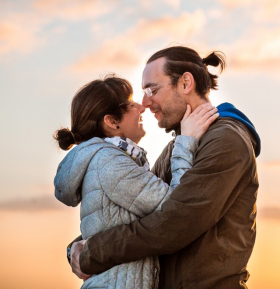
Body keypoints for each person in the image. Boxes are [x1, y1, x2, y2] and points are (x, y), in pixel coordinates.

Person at [70, 47, 261, 289]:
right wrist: (77, 247)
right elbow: (134, 212)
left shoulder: (226, 141)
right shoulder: (176, 148)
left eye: (153, 89)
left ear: (185, 83)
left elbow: (174, 222)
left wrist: (91, 253)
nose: (145, 103)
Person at [53, 75, 219, 288]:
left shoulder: (105, 160)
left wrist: (77, 249)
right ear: (112, 122)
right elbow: (176, 208)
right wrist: (187, 142)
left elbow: (115, 222)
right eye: (131, 104)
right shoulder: (110, 162)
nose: (141, 107)